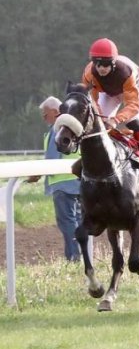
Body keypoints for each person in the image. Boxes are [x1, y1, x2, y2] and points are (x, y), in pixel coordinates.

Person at [81, 37, 139, 175]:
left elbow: (133, 105)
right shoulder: (89, 74)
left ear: (113, 63)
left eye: (105, 64)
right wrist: (103, 118)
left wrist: (115, 120)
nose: (101, 68)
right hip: (108, 92)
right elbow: (92, 100)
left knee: (131, 121)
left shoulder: (126, 73)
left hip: (132, 87)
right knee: (98, 122)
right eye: (97, 64)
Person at [26, 97, 82, 262]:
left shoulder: (56, 129)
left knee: (67, 222)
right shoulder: (76, 127)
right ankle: (82, 256)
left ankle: (74, 258)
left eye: (45, 115)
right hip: (79, 182)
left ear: (55, 111)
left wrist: (37, 174)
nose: (44, 118)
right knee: (78, 220)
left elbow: (51, 159)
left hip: (62, 184)